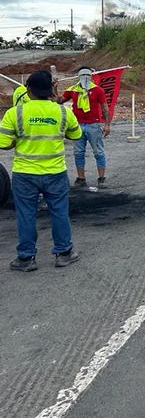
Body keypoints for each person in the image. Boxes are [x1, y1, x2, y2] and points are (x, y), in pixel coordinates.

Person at [1, 70, 82, 271]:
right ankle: (64, 253)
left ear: (28, 90)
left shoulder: (15, 113)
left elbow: (3, 143)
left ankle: (26, 258)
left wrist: (19, 140)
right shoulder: (63, 112)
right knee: (59, 212)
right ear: (50, 90)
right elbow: (76, 134)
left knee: (26, 215)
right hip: (55, 172)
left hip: (25, 174)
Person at [58, 67, 110, 188]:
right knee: (78, 152)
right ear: (78, 77)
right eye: (83, 75)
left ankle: (101, 178)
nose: (85, 78)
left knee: (98, 152)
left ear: (91, 77)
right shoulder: (72, 90)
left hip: (93, 125)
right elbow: (59, 101)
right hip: (78, 125)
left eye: (87, 75)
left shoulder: (97, 90)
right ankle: (81, 178)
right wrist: (54, 87)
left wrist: (107, 124)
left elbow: (105, 107)